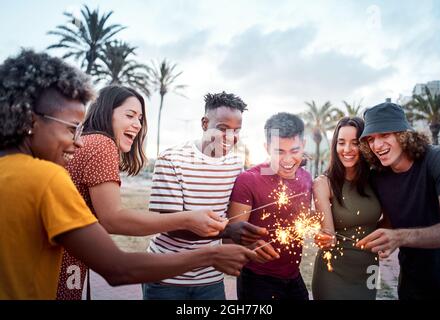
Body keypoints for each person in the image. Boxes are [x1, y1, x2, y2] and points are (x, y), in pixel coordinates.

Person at [0, 50, 257, 299]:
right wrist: (205, 246)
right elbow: (116, 258)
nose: (78, 142)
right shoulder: (68, 164)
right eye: (71, 129)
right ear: (31, 122)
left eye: (140, 118)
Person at [57, 85, 229, 300]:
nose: (137, 124)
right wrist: (187, 220)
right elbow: (113, 219)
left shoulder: (86, 142)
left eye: (140, 118)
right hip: (62, 263)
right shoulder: (102, 144)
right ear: (105, 111)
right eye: (130, 115)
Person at [142, 92, 269, 300]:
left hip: (210, 278)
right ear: (204, 123)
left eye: (237, 130)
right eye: (222, 129)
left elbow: (242, 204)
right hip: (166, 277)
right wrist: (229, 231)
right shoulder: (172, 159)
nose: (231, 137)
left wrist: (286, 165)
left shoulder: (236, 165)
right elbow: (171, 227)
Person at [357, 102, 440, 300]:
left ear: (404, 135)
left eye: (385, 135)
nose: (377, 145)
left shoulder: (438, 160)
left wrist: (400, 237)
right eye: (371, 139)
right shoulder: (378, 176)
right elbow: (390, 219)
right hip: (411, 282)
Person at [227, 112, 311, 300]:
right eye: (279, 151)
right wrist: (249, 244)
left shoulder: (306, 177)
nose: (288, 160)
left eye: (295, 151)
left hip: (293, 275)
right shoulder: (248, 180)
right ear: (266, 148)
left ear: (303, 146)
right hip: (257, 279)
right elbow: (229, 238)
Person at [311, 117, 381, 300]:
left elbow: (387, 222)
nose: (347, 150)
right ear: (335, 146)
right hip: (333, 273)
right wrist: (323, 237)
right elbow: (327, 233)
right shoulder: (323, 183)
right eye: (341, 143)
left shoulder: (377, 179)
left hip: (369, 270)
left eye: (355, 143)